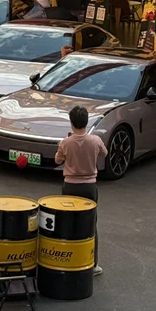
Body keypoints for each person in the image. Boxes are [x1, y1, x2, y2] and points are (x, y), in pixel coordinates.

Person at [54, 105, 107, 276]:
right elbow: (104, 153)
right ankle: (93, 263)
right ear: (86, 122)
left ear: (71, 123)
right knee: (91, 224)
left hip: (70, 186)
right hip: (90, 187)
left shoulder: (66, 143)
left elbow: (57, 160)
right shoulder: (95, 140)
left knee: (68, 222)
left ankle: (68, 259)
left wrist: (60, 148)